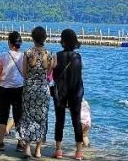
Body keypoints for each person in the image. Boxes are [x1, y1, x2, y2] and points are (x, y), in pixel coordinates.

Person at [19, 26, 53, 159]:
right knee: (42, 118)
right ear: (45, 38)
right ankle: (38, 150)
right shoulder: (49, 54)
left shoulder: (27, 53)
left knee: (27, 116)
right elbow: (49, 74)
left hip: (29, 88)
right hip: (43, 89)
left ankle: (27, 148)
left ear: (32, 38)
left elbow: (24, 73)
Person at [53, 29, 85, 160]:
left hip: (60, 92)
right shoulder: (78, 57)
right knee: (76, 121)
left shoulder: (56, 55)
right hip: (75, 92)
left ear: (63, 41)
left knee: (59, 120)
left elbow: (54, 76)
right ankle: (78, 152)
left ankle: (58, 150)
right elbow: (79, 76)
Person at [0, 31, 26, 151]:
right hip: (19, 89)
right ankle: (20, 143)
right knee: (18, 117)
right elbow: (25, 73)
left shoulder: (4, 55)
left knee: (3, 116)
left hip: (4, 89)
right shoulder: (24, 56)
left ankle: (1, 143)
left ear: (9, 42)